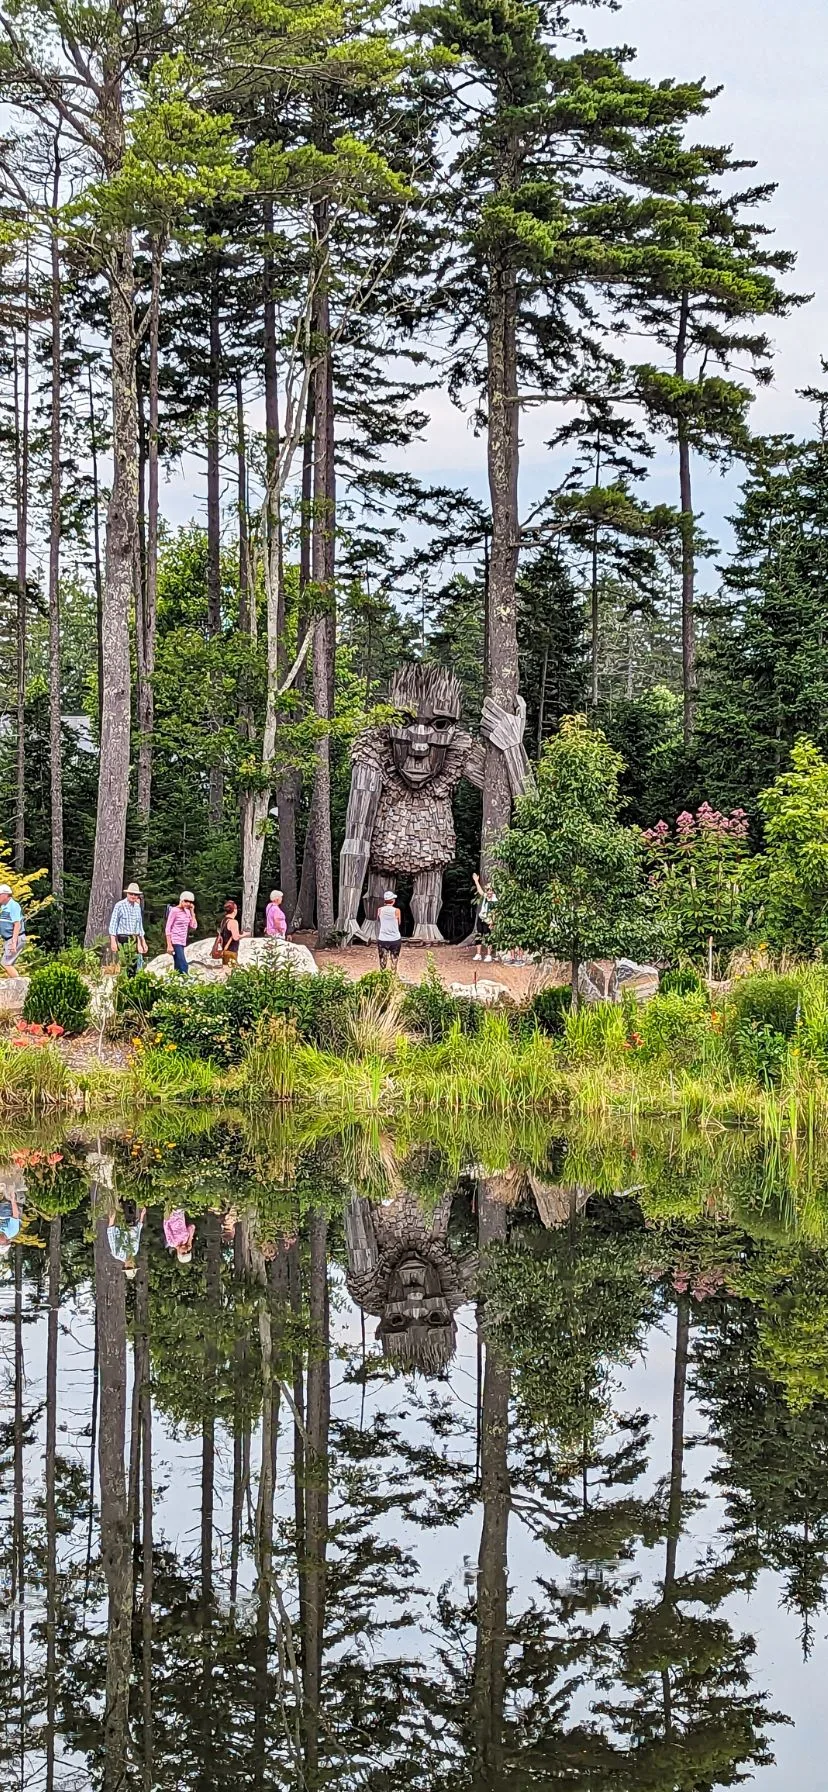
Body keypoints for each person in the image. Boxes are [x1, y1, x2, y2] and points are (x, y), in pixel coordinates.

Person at [108, 883, 148, 974]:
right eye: (131, 894)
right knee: (124, 963)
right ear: (127, 894)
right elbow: (113, 924)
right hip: (123, 937)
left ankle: (132, 981)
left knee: (135, 963)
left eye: (135, 894)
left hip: (134, 938)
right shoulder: (119, 905)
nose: (133, 896)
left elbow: (139, 925)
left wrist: (143, 941)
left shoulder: (137, 907)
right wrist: (113, 941)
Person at [107, 1202, 146, 1280]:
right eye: (131, 1266)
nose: (129, 1264)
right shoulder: (134, 1251)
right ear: (135, 1265)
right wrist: (142, 1217)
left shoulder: (117, 1254)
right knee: (132, 1201)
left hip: (120, 1224)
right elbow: (138, 1235)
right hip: (133, 1222)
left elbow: (111, 1237)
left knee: (120, 1202)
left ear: (124, 1266)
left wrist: (111, 1220)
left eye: (127, 1267)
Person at [165, 891, 198, 974]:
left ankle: (177, 982)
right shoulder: (174, 911)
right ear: (181, 900)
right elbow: (168, 928)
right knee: (183, 965)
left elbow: (193, 926)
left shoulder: (187, 911)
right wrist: (169, 944)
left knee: (178, 965)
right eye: (186, 901)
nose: (188, 904)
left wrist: (192, 912)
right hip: (175, 940)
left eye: (190, 902)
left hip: (182, 941)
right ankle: (185, 980)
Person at [0, 883, 25, 979]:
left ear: (5, 895)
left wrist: (14, 943)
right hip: (9, 938)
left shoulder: (13, 905)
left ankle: (19, 984)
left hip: (14, 938)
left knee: (6, 963)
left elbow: (17, 924)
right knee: (7, 963)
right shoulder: (4, 906)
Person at [472, 872, 497, 964]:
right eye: (488, 890)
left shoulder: (494, 900)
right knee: (479, 935)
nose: (489, 892)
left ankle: (489, 955)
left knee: (488, 936)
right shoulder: (486, 896)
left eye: (490, 890)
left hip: (488, 919)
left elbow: (495, 912)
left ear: (493, 891)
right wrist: (476, 881)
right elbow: (480, 892)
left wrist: (492, 922)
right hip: (481, 917)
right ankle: (478, 954)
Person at [376, 889, 402, 972]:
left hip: (383, 938)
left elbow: (378, 920)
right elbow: (399, 922)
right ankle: (393, 979)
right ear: (393, 901)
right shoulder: (397, 911)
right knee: (394, 961)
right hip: (395, 938)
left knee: (382, 962)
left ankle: (383, 978)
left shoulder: (379, 910)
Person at [213, 899, 241, 967]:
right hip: (231, 951)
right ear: (234, 910)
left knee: (226, 969)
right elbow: (235, 937)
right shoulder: (233, 922)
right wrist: (245, 935)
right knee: (231, 971)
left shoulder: (224, 920)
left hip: (224, 951)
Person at [0, 1188, 22, 1253]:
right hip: (9, 1208)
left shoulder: (1, 1232)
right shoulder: (12, 1231)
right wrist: (13, 1200)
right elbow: (15, 1214)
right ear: (5, 1242)